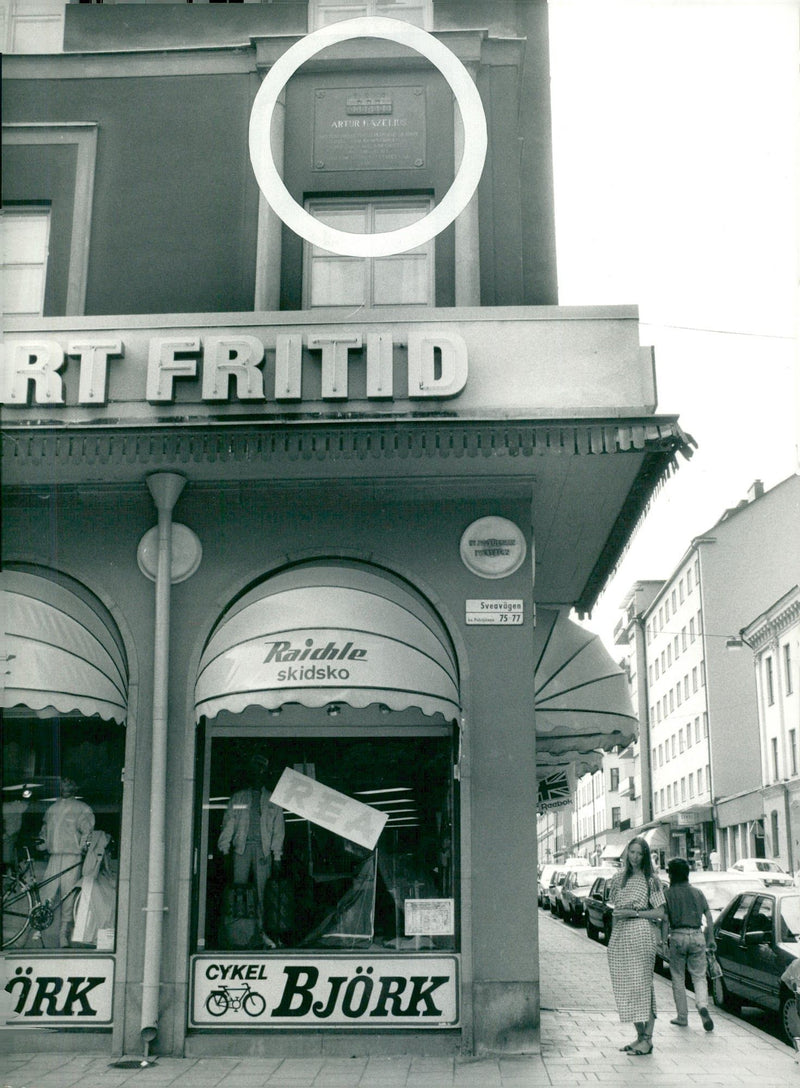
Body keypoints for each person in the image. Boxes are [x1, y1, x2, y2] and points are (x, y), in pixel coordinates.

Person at [607, 835, 666, 1056]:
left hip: (641, 933)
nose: (635, 857)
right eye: (632, 852)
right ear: (626, 853)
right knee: (626, 988)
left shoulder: (652, 880)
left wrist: (635, 912)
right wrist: (611, 940)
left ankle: (648, 1039)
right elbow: (615, 911)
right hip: (620, 936)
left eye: (640, 853)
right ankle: (640, 1036)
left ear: (645, 856)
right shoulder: (617, 878)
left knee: (643, 987)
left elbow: (660, 913)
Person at [217, 755, 285, 932]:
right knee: (239, 892)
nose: (257, 775)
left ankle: (261, 931)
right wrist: (225, 850)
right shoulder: (238, 798)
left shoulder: (273, 800)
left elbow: (278, 830)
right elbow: (228, 825)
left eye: (261, 771)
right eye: (255, 771)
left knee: (263, 893)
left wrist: (277, 856)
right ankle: (240, 931)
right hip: (241, 848)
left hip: (263, 850)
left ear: (265, 774)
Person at [38, 777, 95, 946]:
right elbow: (44, 831)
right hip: (54, 855)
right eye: (64, 784)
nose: (66, 787)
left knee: (68, 894)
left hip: (72, 855)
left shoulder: (82, 809)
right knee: (47, 891)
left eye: (70, 784)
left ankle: (64, 934)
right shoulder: (52, 808)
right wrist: (42, 844)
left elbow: (87, 833)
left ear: (76, 787)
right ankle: (41, 929)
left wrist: (84, 849)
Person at [662, 856, 716, 1032]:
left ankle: (682, 1017)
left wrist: (663, 942)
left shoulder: (668, 894)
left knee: (678, 977)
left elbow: (664, 920)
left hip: (677, 936)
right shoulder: (697, 893)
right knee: (699, 976)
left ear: (671, 875)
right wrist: (711, 938)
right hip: (697, 935)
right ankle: (702, 1005)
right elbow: (708, 916)